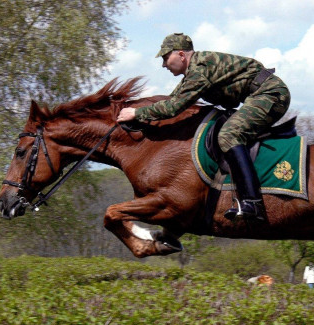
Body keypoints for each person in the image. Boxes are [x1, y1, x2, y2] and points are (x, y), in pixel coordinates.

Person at [116, 33, 291, 222]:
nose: (164, 64)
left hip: (271, 94)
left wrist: (136, 113)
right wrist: (140, 118)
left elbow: (174, 107)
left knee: (229, 134)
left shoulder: (200, 71)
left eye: (166, 58)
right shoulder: (194, 73)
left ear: (181, 55)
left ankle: (252, 202)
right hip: (258, 95)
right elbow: (172, 99)